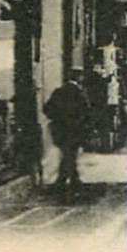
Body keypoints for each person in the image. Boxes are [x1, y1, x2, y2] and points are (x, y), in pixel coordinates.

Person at [43, 71, 89, 203]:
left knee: (67, 155)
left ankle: (70, 180)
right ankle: (67, 182)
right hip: (74, 131)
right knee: (70, 155)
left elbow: (47, 109)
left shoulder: (58, 92)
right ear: (78, 79)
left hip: (61, 131)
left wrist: (58, 119)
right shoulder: (79, 94)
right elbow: (86, 112)